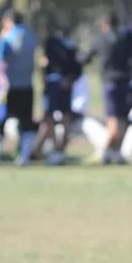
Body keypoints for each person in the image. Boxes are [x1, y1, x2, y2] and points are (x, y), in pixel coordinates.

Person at [0, 9, 38, 167]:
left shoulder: (6, 38)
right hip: (27, 85)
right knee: (26, 121)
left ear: (8, 21)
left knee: (0, 121)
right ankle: (24, 156)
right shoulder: (32, 36)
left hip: (8, 87)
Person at [94, 13, 132, 164]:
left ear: (105, 24)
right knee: (122, 119)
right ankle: (116, 152)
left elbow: (84, 57)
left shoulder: (101, 38)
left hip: (110, 83)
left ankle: (103, 152)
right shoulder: (126, 37)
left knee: (114, 121)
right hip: (125, 81)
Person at [35, 21, 83, 165]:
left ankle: (52, 150)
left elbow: (44, 64)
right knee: (64, 118)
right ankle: (59, 150)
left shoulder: (50, 44)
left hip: (53, 84)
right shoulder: (72, 46)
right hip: (65, 85)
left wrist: (43, 77)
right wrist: (70, 80)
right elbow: (78, 68)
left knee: (49, 117)